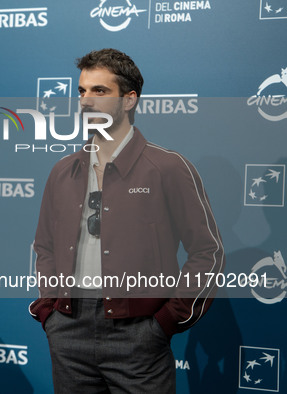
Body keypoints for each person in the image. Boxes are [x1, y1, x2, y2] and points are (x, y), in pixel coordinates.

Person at [29, 48, 225, 393]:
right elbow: (43, 246)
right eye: (82, 91)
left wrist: (164, 323)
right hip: (68, 332)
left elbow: (207, 253)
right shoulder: (62, 171)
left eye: (100, 91)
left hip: (139, 338)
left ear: (129, 100)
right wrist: (50, 312)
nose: (86, 101)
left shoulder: (168, 168)